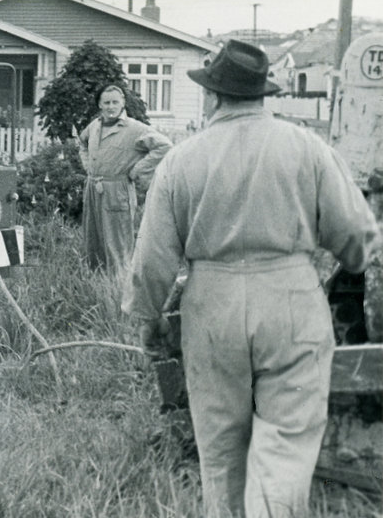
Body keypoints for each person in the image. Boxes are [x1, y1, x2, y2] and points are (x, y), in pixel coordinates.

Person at [126, 39, 380, 517]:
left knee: (221, 453)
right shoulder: (307, 148)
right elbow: (358, 240)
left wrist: (148, 319)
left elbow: (153, 258)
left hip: (212, 307)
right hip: (290, 303)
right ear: (263, 93)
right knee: (285, 450)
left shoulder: (182, 160)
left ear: (213, 95)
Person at [78, 84, 171, 272]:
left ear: (123, 104)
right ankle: (95, 286)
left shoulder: (135, 129)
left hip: (117, 190)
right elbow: (82, 143)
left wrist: (137, 169)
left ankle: (118, 291)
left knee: (117, 245)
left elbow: (165, 146)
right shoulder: (95, 126)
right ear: (100, 105)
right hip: (93, 188)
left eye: (115, 102)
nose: (111, 107)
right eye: (106, 102)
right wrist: (88, 166)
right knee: (93, 242)